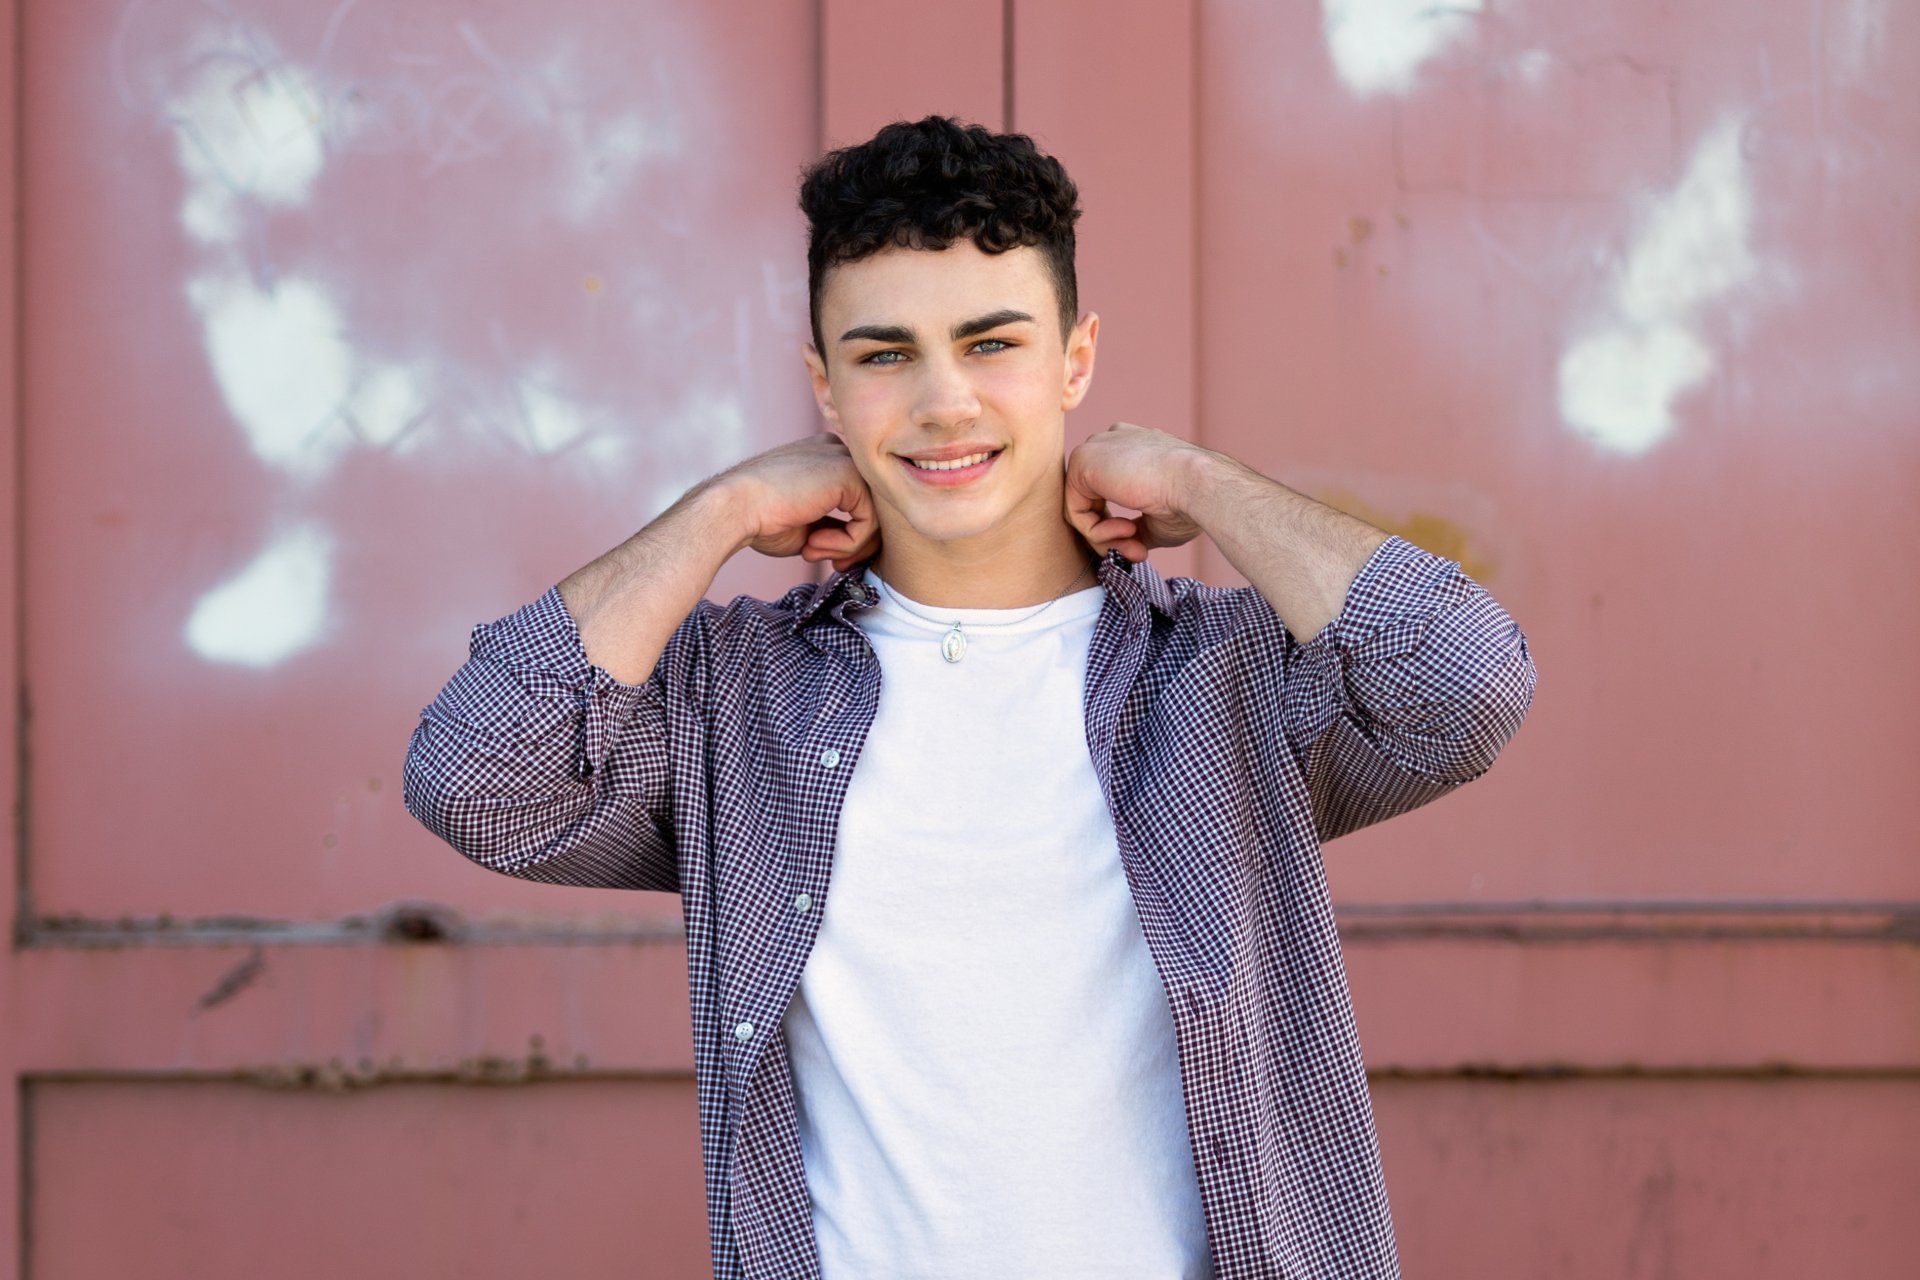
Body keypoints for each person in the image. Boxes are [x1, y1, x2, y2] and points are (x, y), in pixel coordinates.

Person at [403, 114, 1537, 1280]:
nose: (944, 402)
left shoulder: (1225, 678)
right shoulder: (731, 699)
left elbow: (1465, 686)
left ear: (1076, 360)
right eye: (886, 355)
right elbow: (479, 779)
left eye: (992, 344)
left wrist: (1205, 482)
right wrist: (723, 509)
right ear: (825, 386)